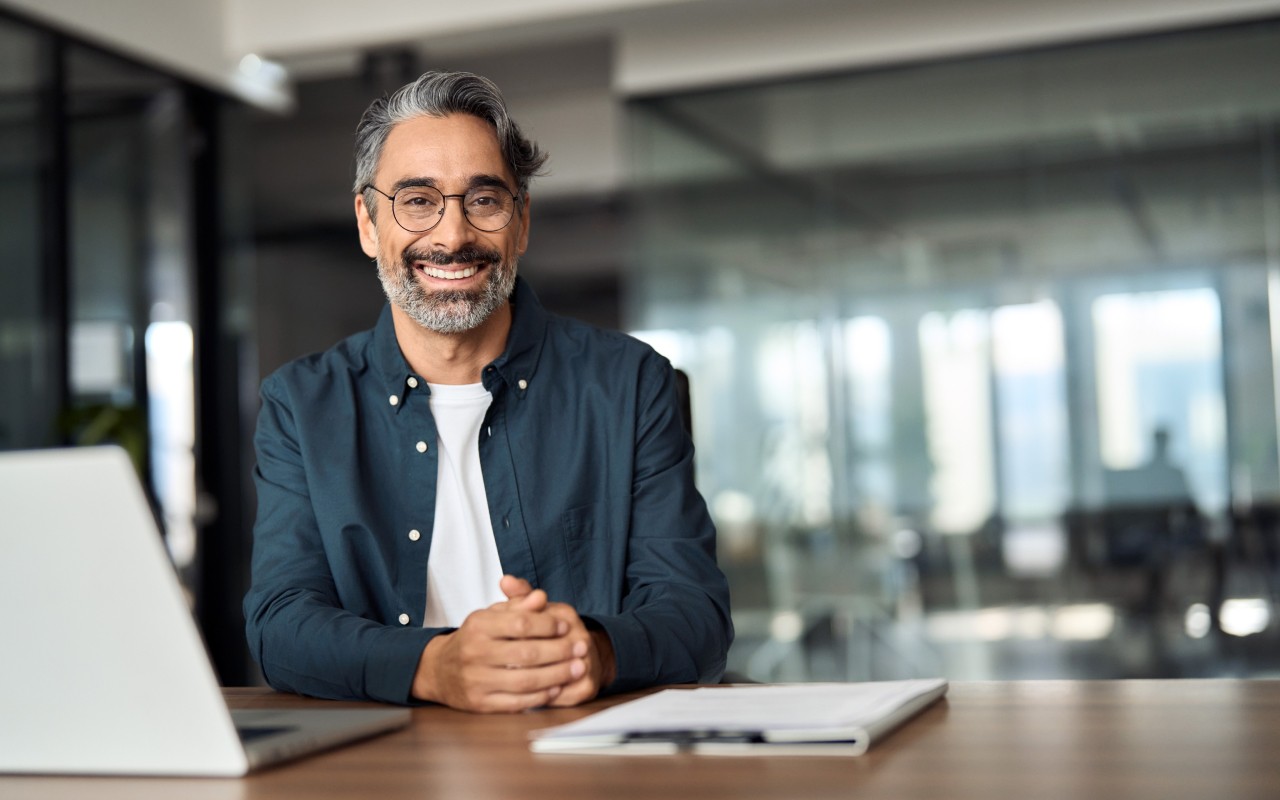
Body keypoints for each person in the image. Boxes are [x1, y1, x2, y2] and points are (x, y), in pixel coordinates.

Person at [243, 71, 733, 713]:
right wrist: (433, 666)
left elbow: (695, 613)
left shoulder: (630, 384)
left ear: (521, 222)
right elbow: (280, 624)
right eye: (417, 201)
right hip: (390, 754)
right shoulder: (302, 406)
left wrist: (591, 650)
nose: (452, 237)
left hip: (587, 747)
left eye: (483, 200)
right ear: (368, 223)